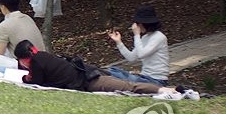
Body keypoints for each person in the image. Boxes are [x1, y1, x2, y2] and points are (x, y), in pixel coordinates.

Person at [14, 41, 165, 94]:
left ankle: (164, 90)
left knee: (128, 87)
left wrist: (25, 78)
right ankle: (161, 88)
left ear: (24, 59)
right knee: (125, 79)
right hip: (89, 71)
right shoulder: (43, 55)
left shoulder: (36, 63)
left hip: (88, 80)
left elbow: (36, 82)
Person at [107, 4, 170, 86]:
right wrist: (119, 42)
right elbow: (131, 58)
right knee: (112, 70)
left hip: (156, 81)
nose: (137, 26)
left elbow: (141, 54)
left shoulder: (159, 37)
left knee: (114, 74)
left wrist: (136, 35)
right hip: (145, 77)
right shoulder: (145, 38)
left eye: (138, 24)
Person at [0, 0, 45, 64]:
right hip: (43, 59)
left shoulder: (4, 25)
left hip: (28, 65)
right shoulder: (27, 18)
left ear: (3, 7)